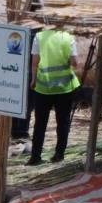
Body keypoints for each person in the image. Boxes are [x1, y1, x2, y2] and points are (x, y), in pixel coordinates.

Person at [27, 28, 80, 165]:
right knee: (62, 122)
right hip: (64, 88)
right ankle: (59, 154)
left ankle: (35, 157)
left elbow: (34, 63)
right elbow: (75, 62)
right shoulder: (68, 37)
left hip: (43, 88)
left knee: (40, 124)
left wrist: (33, 80)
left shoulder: (39, 36)